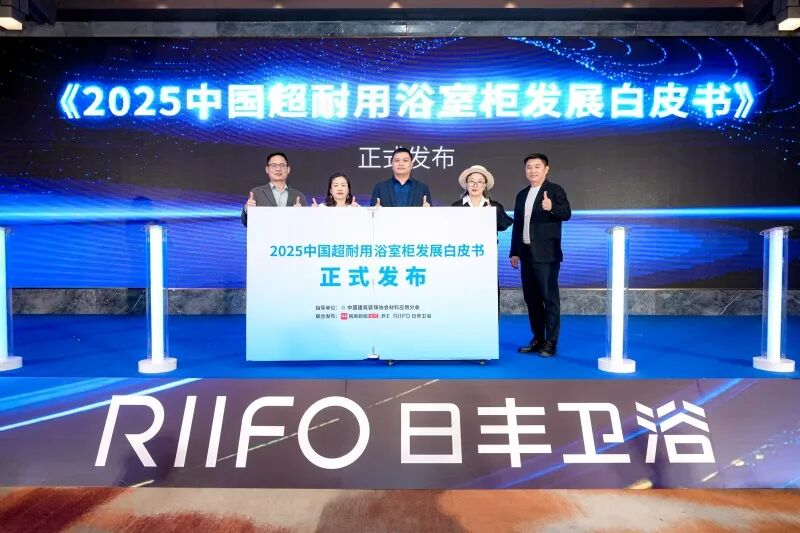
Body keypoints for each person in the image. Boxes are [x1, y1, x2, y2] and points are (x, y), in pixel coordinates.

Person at [509, 153, 571, 357]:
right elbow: (518, 225)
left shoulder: (554, 190)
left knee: (549, 299)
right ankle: (538, 339)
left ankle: (551, 342)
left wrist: (552, 208)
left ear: (546, 169)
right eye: (529, 167)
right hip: (526, 253)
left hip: (546, 255)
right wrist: (514, 251)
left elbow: (566, 213)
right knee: (532, 300)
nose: (532, 170)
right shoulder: (521, 195)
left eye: (537, 166)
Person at [241, 151, 307, 226]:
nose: (278, 169)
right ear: (267, 169)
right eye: (274, 165)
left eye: (282, 165)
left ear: (288, 169)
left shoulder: (299, 196)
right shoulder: (256, 193)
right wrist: (247, 210)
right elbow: (246, 223)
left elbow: (305, 226)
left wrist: (304, 215)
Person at [451, 164, 513, 232]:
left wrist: (493, 215)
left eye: (480, 182)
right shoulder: (456, 206)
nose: (475, 185)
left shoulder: (495, 206)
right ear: (467, 184)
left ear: (485, 185)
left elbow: (504, 226)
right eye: (471, 181)